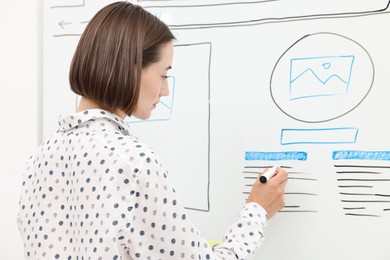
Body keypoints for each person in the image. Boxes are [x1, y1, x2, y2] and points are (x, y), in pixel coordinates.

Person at [17, 1, 288, 259]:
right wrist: (257, 210)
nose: (165, 90)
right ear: (131, 67)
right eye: (163, 74)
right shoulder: (132, 161)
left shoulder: (39, 159)